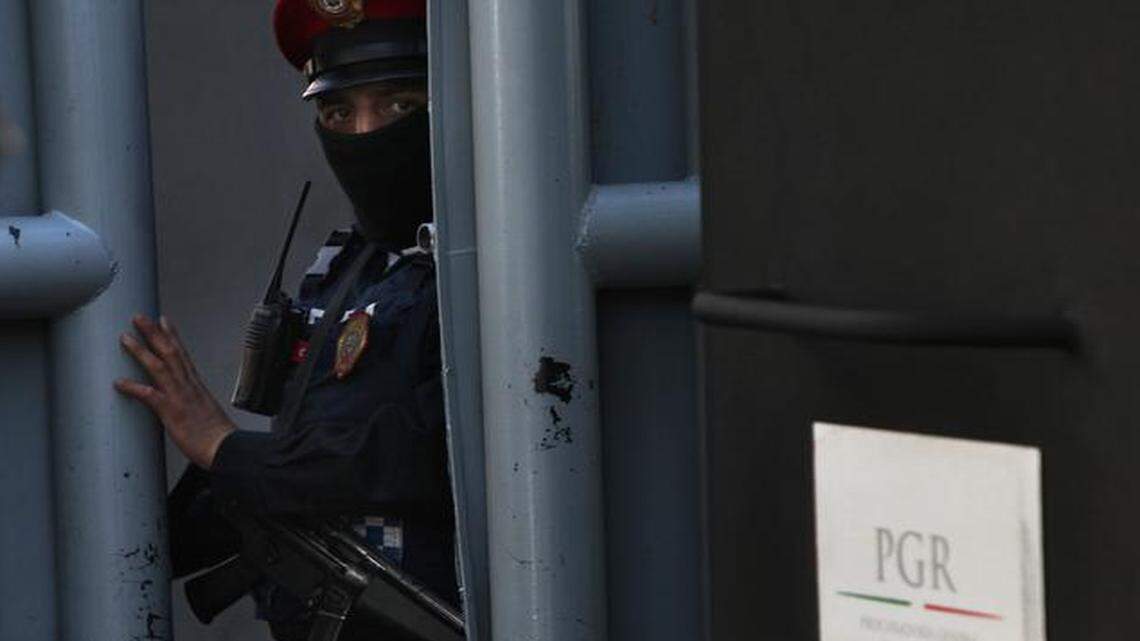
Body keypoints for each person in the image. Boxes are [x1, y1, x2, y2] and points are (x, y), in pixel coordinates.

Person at [114, 1, 457, 639]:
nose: (364, 134)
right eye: (337, 112)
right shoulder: (355, 265)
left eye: (401, 106)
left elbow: (430, 450)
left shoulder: (485, 272)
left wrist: (226, 449)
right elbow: (303, 436)